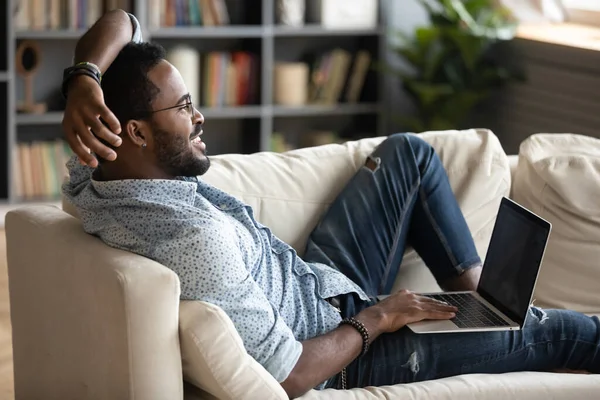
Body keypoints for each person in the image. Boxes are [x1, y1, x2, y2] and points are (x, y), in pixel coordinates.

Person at [61, 10, 599, 399]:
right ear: (134, 131)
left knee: (407, 155)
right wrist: (380, 317)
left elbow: (122, 20)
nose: (199, 117)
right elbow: (292, 374)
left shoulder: (97, 171)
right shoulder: (191, 240)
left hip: (319, 283)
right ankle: (496, 323)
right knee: (564, 332)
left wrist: (82, 79)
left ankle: (479, 303)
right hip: (345, 354)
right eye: (183, 107)